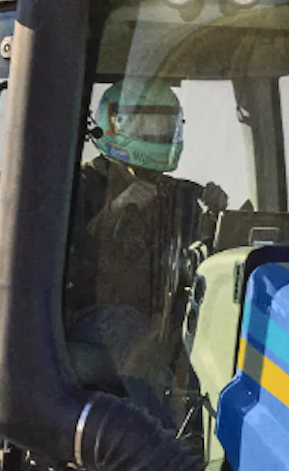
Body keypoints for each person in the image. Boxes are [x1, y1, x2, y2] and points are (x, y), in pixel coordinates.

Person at [66, 78, 226, 408]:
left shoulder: (185, 195)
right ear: (113, 123)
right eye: (146, 125)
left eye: (162, 125)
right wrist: (112, 214)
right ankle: (167, 444)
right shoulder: (76, 187)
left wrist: (216, 220)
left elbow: (202, 263)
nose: (156, 135)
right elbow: (61, 268)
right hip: (87, 319)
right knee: (127, 327)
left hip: (163, 319)